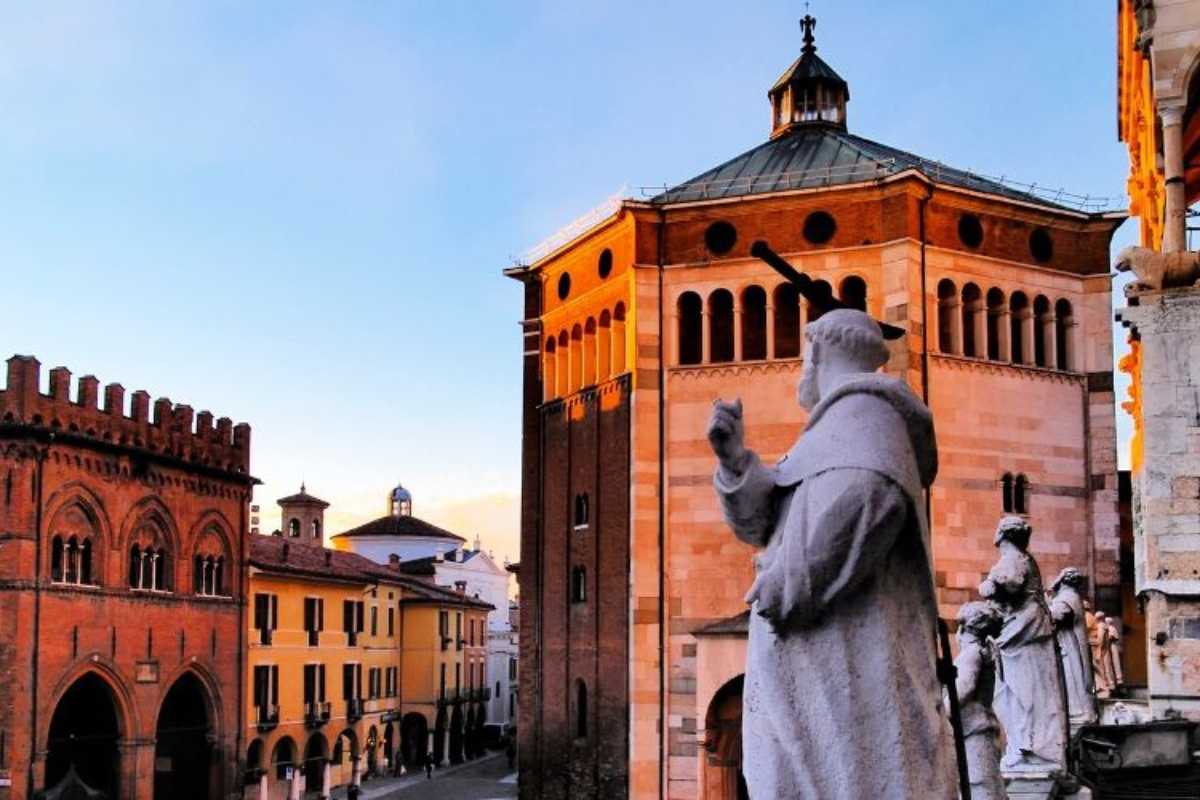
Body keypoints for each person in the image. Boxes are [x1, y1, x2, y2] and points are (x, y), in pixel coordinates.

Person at [709, 309, 956, 799]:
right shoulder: (833, 427)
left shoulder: (869, 418)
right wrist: (735, 462)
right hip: (813, 661)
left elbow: (868, 499)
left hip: (843, 662)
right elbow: (764, 524)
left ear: (817, 353)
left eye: (805, 355)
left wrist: (788, 585)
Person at [979, 516, 1068, 773]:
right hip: (1025, 634)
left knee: (1021, 694)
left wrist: (986, 586)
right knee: (1025, 693)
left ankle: (1028, 748)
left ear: (1001, 535)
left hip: (1023, 634)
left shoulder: (1014, 559)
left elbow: (1009, 584)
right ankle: (1027, 747)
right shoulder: (1023, 558)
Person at [955, 601, 1007, 800]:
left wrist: (942, 711)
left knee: (978, 780)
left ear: (964, 629)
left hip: (973, 726)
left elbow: (963, 688)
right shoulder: (984, 650)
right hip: (980, 724)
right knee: (984, 778)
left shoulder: (970, 654)